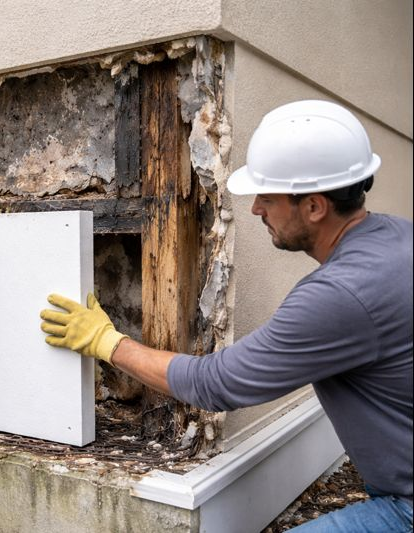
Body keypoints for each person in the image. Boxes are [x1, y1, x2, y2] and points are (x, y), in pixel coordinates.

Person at [40, 100, 413, 532]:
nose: (255, 209)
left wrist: (107, 341)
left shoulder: (341, 295)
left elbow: (215, 384)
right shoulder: (398, 237)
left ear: (314, 207)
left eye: (268, 198)